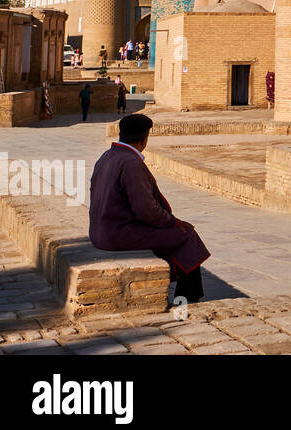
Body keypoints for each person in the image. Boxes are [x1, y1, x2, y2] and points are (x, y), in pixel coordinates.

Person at [89, 114, 209, 302]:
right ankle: (189, 298)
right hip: (117, 234)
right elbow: (146, 210)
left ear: (121, 134)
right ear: (145, 139)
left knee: (172, 236)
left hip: (100, 231)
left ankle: (174, 277)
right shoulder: (131, 163)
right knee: (187, 235)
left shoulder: (108, 156)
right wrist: (175, 222)